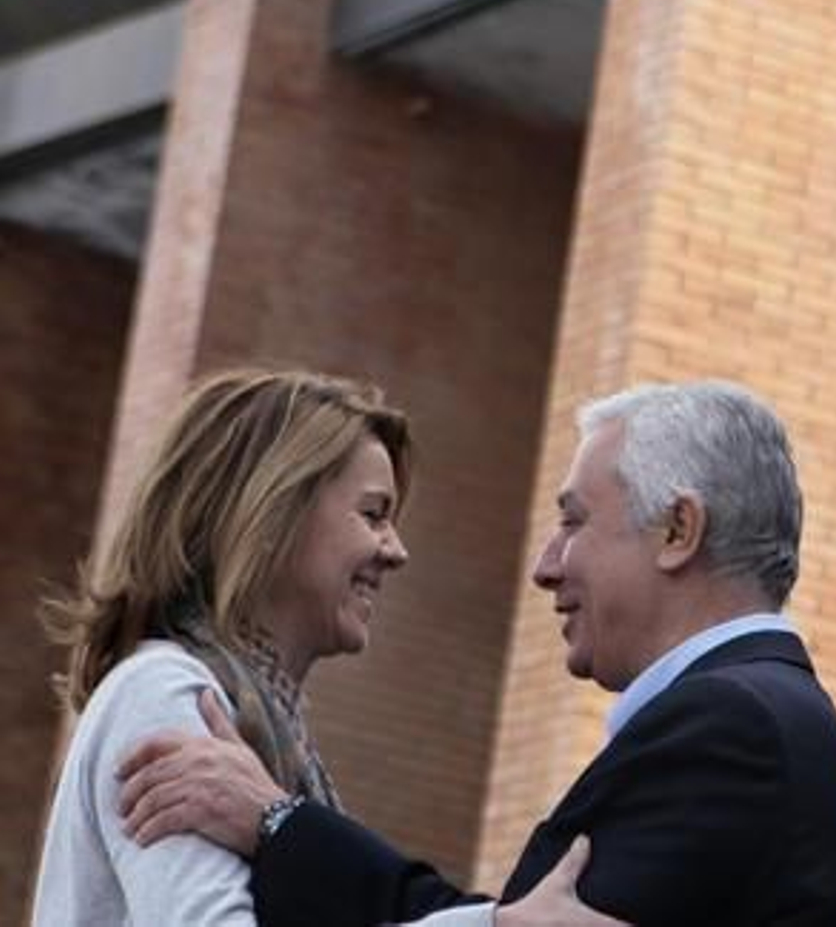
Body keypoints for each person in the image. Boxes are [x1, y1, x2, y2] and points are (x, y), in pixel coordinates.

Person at [118, 379, 836, 926]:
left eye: (574, 522)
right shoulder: (762, 718)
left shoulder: (730, 724)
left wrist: (279, 823)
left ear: (678, 529)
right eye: (374, 514)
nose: (547, 564)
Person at [34, 367, 615, 927]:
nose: (395, 551)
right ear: (269, 515)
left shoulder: (256, 724)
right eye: (373, 514)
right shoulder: (160, 690)